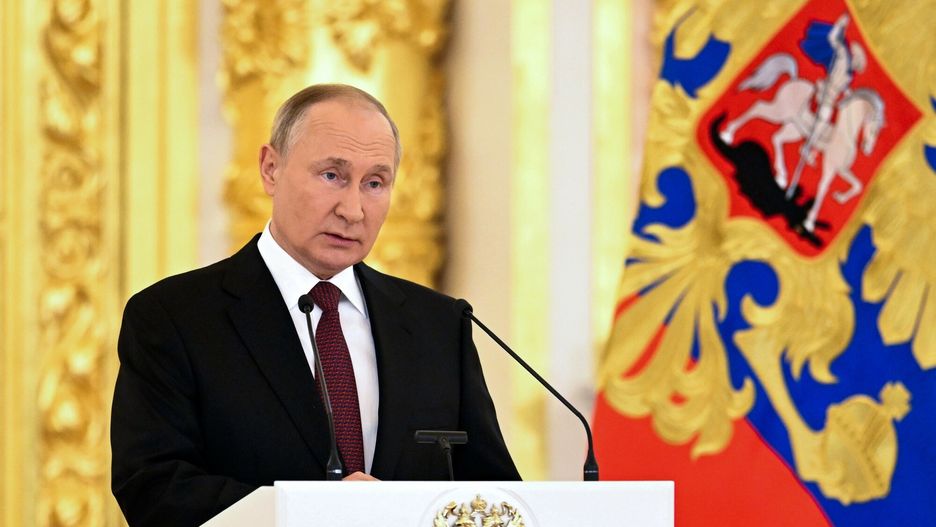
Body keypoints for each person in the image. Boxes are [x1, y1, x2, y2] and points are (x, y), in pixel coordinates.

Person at [110, 84, 520, 527]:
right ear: (270, 169)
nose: (353, 210)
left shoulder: (439, 324)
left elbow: (494, 496)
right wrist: (314, 513)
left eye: (375, 183)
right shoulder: (174, 317)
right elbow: (154, 489)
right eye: (332, 176)